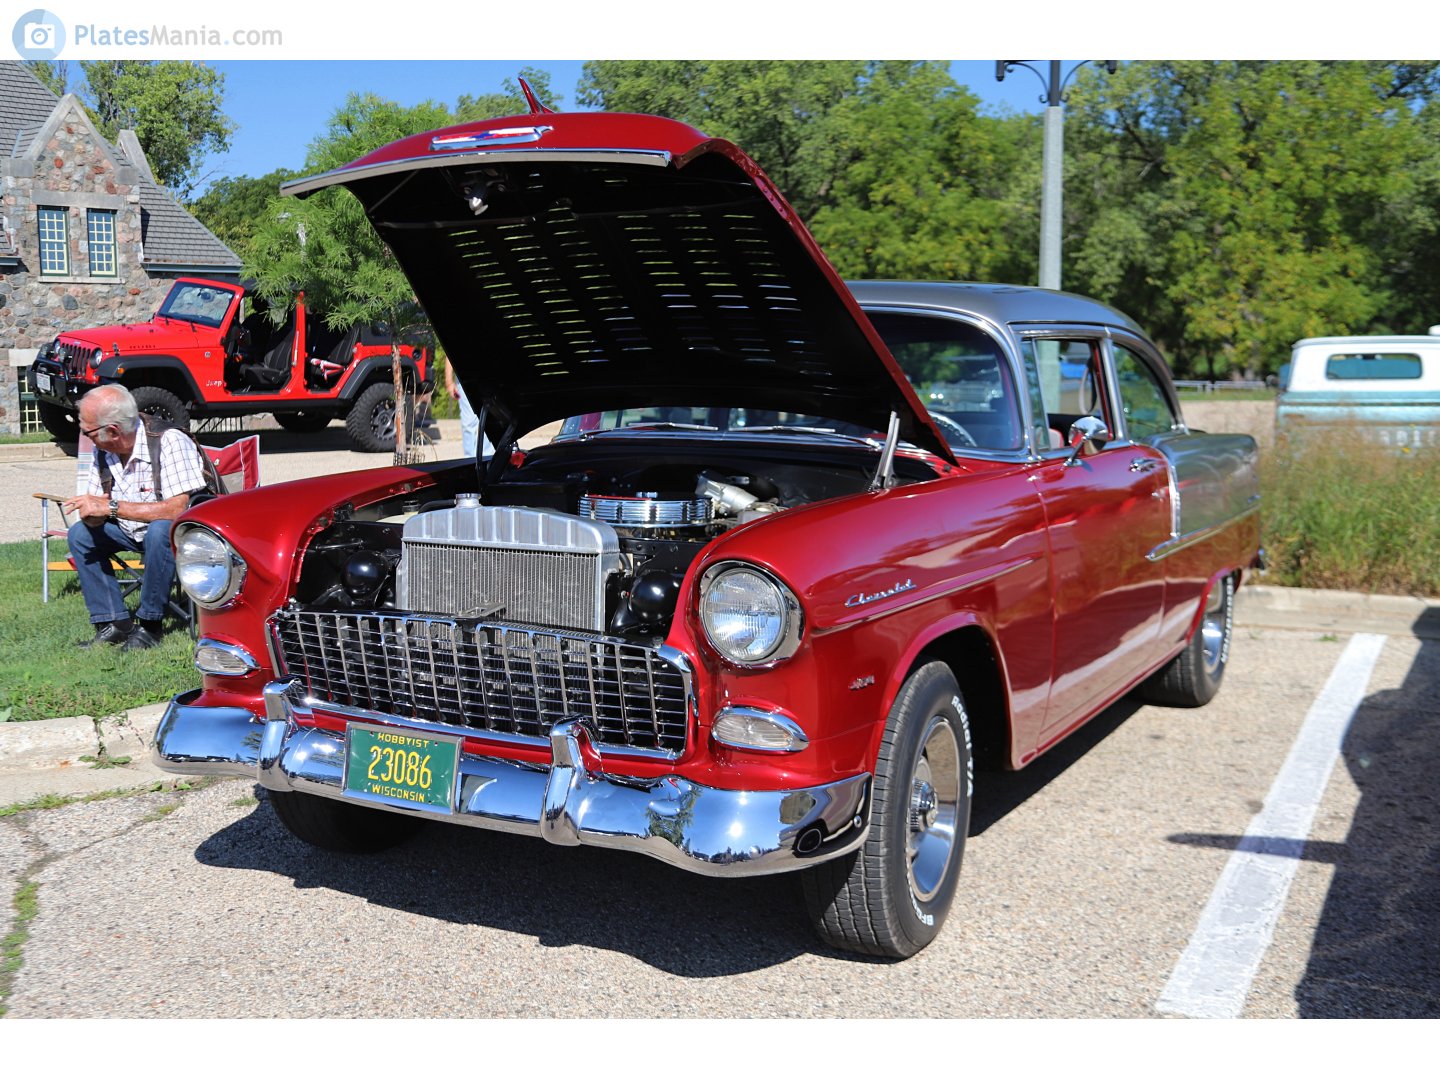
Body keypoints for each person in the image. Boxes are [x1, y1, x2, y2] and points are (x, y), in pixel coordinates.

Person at [63, 385, 208, 650]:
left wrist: (110, 508)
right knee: (80, 535)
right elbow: (100, 507)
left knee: (160, 530)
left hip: (181, 537)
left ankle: (150, 626)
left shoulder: (169, 440)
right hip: (131, 531)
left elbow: (179, 509)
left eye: (87, 431)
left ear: (114, 431)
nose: (83, 436)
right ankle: (113, 623)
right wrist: (90, 512)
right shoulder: (102, 450)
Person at [444, 358, 493, 458]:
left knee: (489, 419)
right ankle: (469, 459)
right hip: (465, 377)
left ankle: (488, 458)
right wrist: (449, 381)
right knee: (468, 423)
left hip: (487, 375)